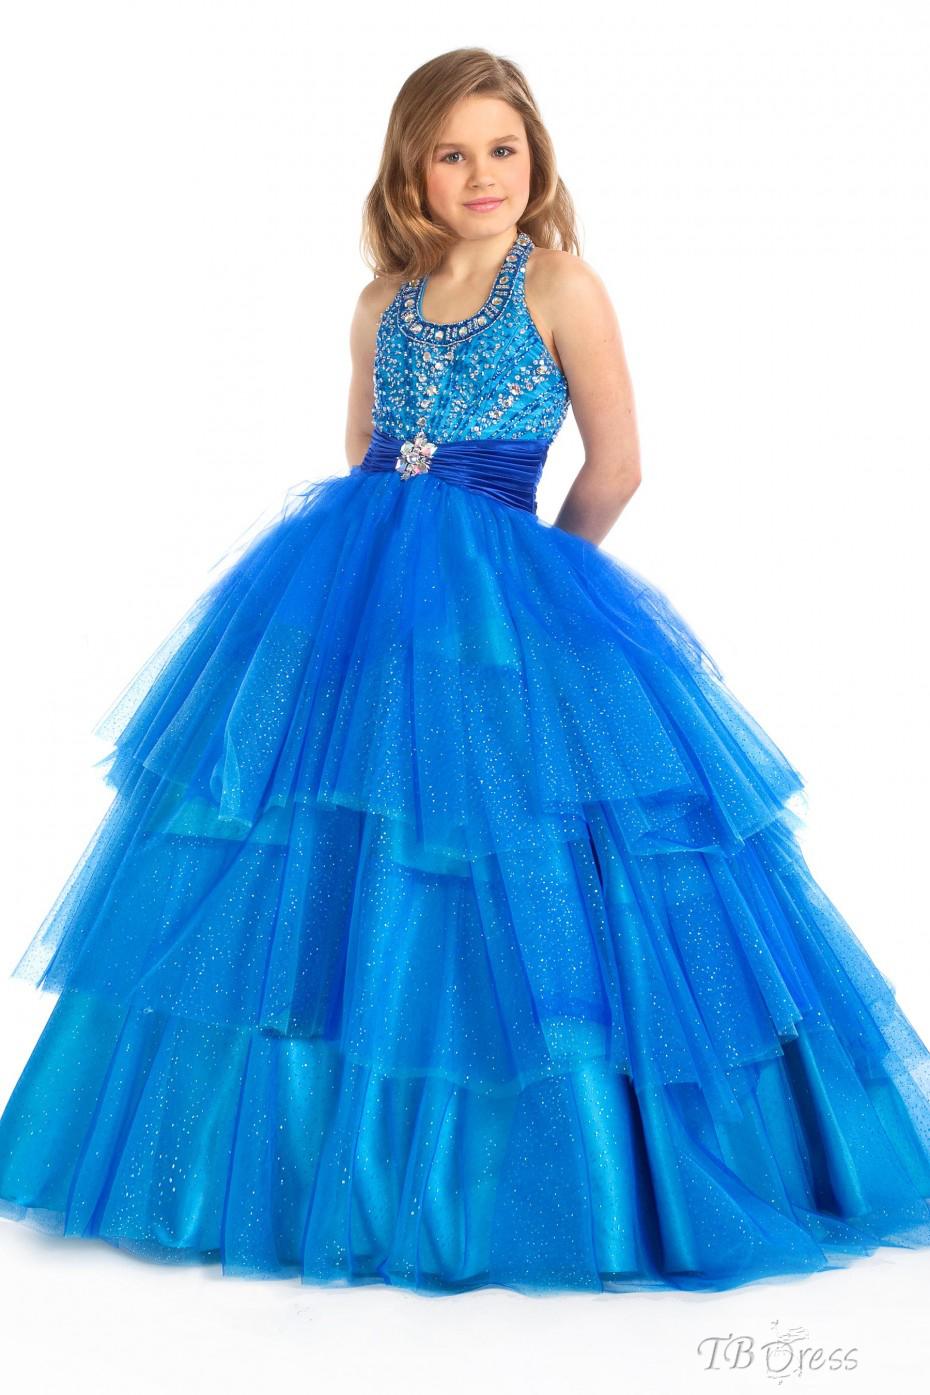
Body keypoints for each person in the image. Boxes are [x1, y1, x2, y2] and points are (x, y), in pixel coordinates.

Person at [1, 47, 929, 1299]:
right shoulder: (380, 302)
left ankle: (558, 1165)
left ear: (537, 158)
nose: (483, 174)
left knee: (508, 853)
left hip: (501, 601)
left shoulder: (564, 285)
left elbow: (618, 465)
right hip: (359, 601)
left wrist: (547, 590)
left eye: (504, 148)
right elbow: (364, 450)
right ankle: (289, 1157)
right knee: (331, 843)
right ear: (411, 171)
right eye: (452, 153)